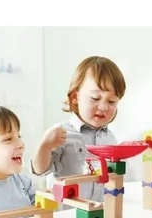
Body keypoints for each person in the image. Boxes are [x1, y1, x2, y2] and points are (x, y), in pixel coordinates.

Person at [31, 56, 126, 201]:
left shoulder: (111, 138)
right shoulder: (61, 134)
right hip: (68, 212)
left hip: (101, 209)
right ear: (75, 97)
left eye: (112, 101)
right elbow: (39, 170)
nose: (104, 107)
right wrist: (45, 146)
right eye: (95, 98)